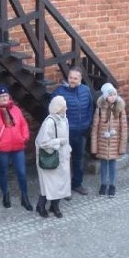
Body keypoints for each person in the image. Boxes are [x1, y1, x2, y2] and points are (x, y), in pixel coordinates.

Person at [0, 84, 32, 210]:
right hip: (3, 149)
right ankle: (6, 194)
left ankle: (24, 196)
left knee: (22, 172)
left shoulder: (16, 109)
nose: (4, 98)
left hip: (18, 147)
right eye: (1, 96)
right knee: (3, 172)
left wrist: (24, 137)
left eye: (6, 95)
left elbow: (23, 124)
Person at [52, 66, 94, 195]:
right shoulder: (59, 92)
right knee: (63, 161)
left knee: (78, 159)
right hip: (65, 134)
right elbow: (53, 112)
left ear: (80, 79)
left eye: (75, 78)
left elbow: (90, 108)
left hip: (81, 132)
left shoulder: (85, 90)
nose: (73, 80)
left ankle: (77, 184)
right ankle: (63, 188)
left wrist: (88, 123)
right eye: (71, 77)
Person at [35, 95, 71, 218]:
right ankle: (40, 206)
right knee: (48, 184)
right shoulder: (49, 122)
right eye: (64, 106)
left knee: (60, 184)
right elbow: (42, 142)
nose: (66, 108)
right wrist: (58, 142)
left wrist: (67, 149)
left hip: (63, 157)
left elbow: (67, 138)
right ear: (59, 108)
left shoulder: (64, 119)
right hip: (51, 157)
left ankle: (55, 206)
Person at [90, 83, 127, 198]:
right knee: (103, 164)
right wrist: (94, 147)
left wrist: (122, 147)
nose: (113, 97)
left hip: (114, 144)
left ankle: (112, 184)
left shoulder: (120, 108)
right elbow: (95, 128)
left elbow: (124, 128)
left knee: (112, 165)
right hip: (102, 143)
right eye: (110, 95)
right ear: (105, 96)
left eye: (115, 94)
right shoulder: (100, 109)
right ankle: (103, 184)